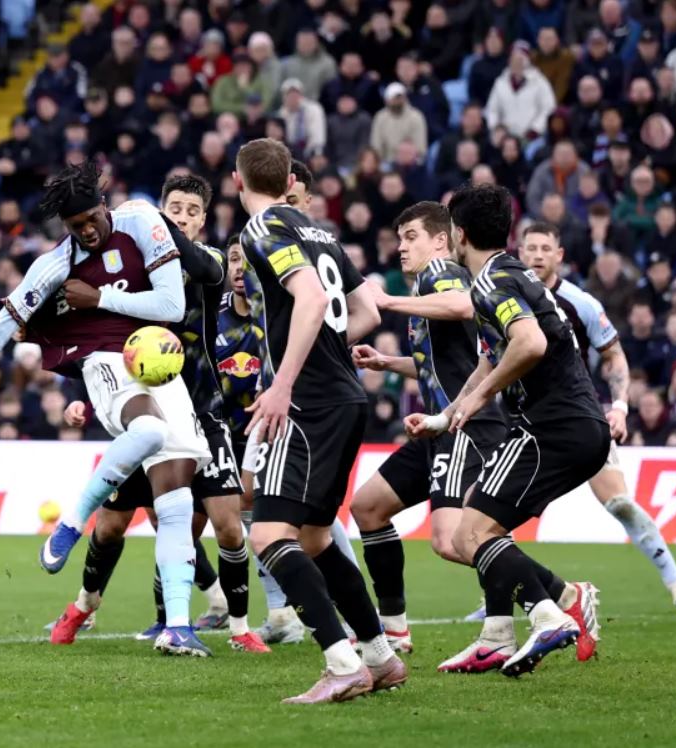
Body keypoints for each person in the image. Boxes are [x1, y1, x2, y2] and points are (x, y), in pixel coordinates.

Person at [0, 162, 214, 656]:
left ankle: (178, 628)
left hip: (160, 361)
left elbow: (170, 306)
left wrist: (99, 296)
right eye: (75, 227)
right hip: (105, 361)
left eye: (91, 220)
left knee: (176, 503)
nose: (87, 232)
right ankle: (73, 521)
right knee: (146, 432)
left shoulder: (142, 223)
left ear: (104, 206)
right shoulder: (53, 265)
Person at [47, 174, 266, 654]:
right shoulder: (133, 264)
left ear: (203, 219)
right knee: (110, 526)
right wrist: (88, 390)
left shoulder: (206, 260)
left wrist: (153, 221)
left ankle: (238, 627)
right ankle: (83, 605)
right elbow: (99, 333)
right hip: (142, 405)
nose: (182, 216)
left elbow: (196, 265)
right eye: (174, 207)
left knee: (227, 523)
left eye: (191, 210)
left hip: (203, 410)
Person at [408, 182, 605, 678]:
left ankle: (552, 611)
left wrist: (475, 399)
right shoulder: (508, 275)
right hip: (574, 424)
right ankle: (497, 634)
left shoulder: (491, 283)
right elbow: (491, 358)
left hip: (552, 427)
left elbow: (530, 343)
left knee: (466, 534)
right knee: (481, 519)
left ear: (459, 234)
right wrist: (445, 414)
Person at [235, 138, 404, 704]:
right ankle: (380, 657)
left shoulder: (262, 230)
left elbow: (309, 301)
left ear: (240, 183)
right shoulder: (321, 232)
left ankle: (341, 661)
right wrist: (328, 351)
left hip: (307, 402)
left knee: (266, 533)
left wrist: (282, 381)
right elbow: (369, 311)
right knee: (312, 537)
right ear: (289, 182)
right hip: (346, 397)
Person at [518, 223, 676, 622]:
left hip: (576, 418)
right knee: (493, 516)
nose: (536, 254)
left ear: (559, 255)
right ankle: (503, 600)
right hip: (523, 423)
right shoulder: (504, 299)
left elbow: (614, 355)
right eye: (529, 247)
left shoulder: (579, 303)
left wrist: (620, 404)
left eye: (544, 248)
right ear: (519, 253)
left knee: (621, 504)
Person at [349, 202, 508, 656]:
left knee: (451, 539)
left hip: (465, 425)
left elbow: (464, 305)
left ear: (441, 240)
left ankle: (557, 596)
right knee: (369, 507)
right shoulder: (425, 288)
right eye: (400, 238)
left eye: (412, 236)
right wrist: (388, 363)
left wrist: (388, 301)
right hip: (438, 426)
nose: (402, 247)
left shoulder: (441, 273)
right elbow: (439, 366)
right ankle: (395, 629)